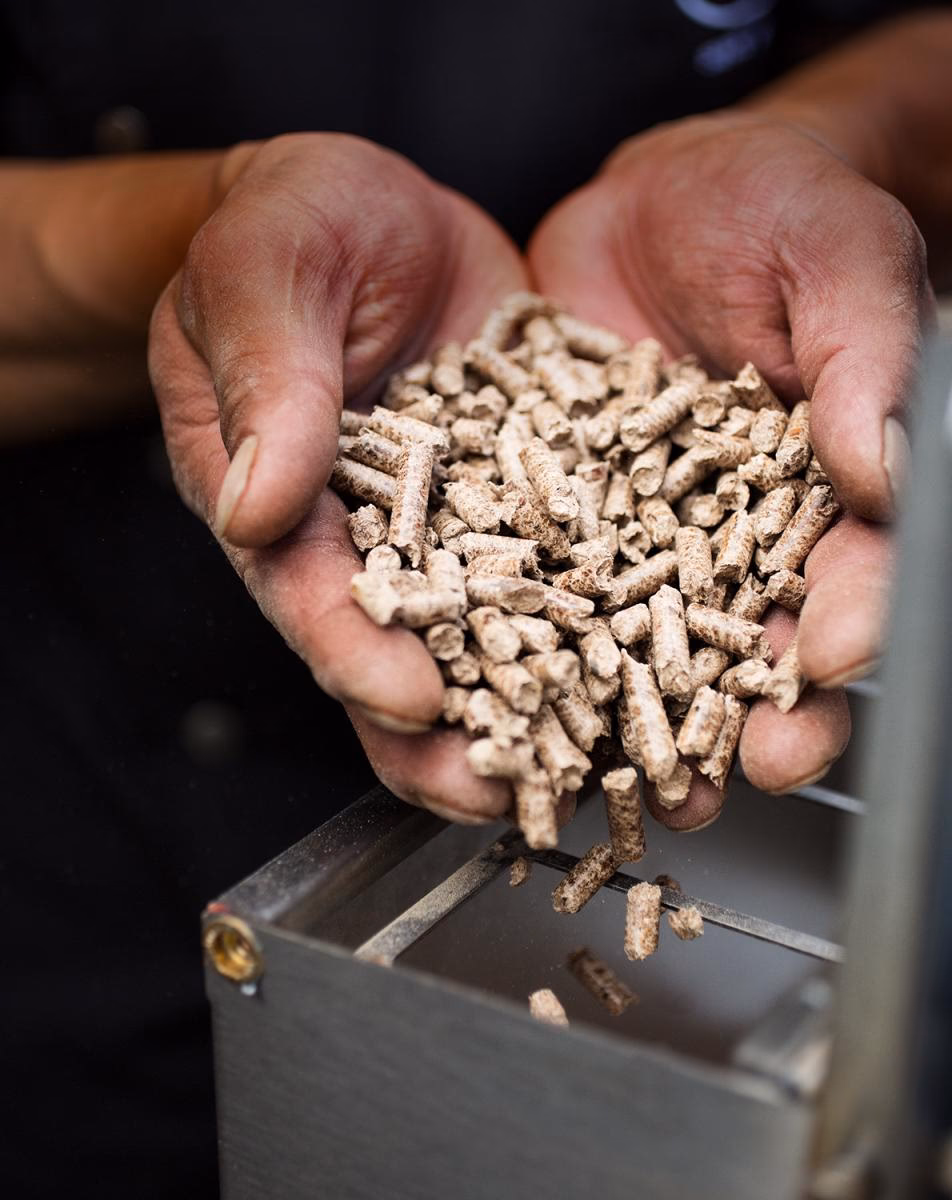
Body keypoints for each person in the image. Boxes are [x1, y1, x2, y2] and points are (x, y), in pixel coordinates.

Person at [1, 3, 949, 1195]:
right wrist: (205, 239)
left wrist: (813, 141)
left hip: (547, 856)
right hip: (72, 802)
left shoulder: (624, 474)